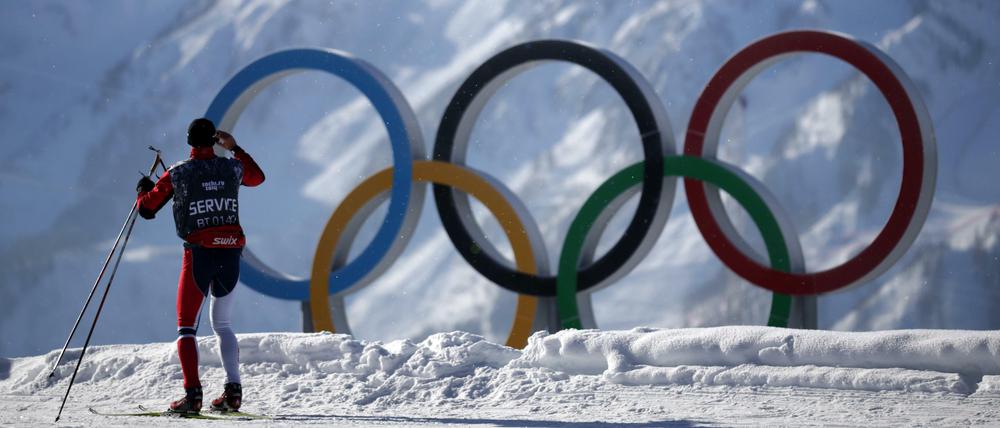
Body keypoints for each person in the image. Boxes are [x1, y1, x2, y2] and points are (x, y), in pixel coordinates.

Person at [136, 118, 265, 414]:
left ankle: (192, 395)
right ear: (215, 140)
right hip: (231, 253)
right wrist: (235, 148)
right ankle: (233, 392)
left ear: (189, 142)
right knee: (222, 324)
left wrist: (144, 189)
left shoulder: (179, 172)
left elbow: (146, 209)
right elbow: (257, 178)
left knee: (186, 328)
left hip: (198, 255)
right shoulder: (232, 167)